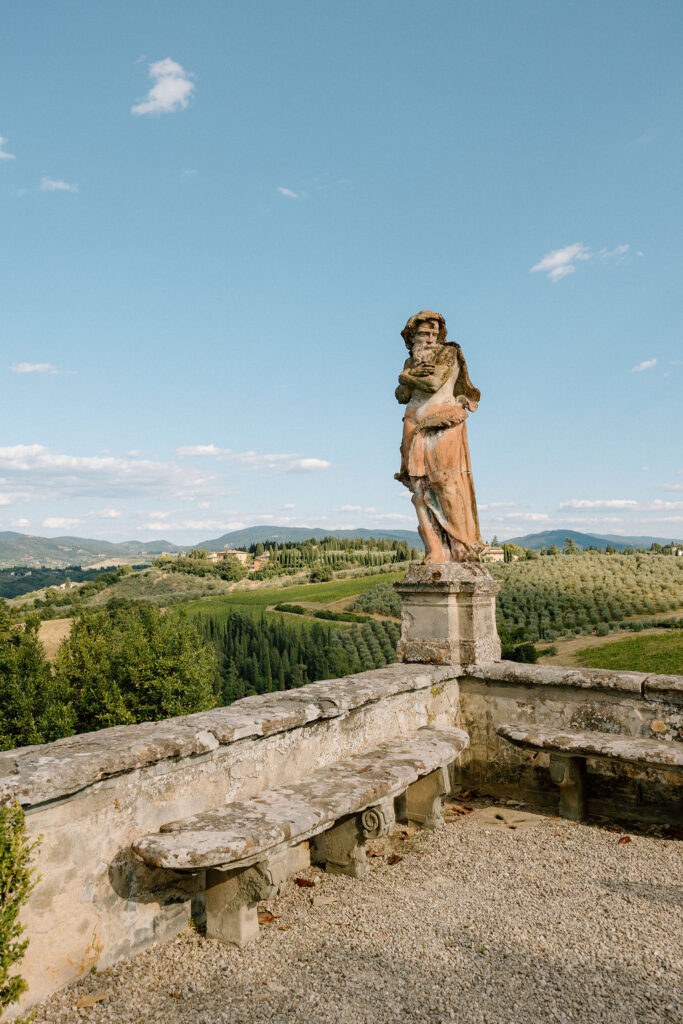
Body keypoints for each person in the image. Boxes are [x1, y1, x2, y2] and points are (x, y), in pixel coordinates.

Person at [395, 310, 483, 563]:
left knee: (444, 482)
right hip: (413, 421)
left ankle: (461, 545)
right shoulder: (410, 363)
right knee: (419, 488)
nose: (431, 338)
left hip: (441, 419)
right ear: (412, 337)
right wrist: (408, 377)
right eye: (424, 333)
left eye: (435, 333)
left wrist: (406, 379)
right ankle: (435, 549)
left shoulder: (448, 353)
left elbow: (433, 384)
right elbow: (401, 396)